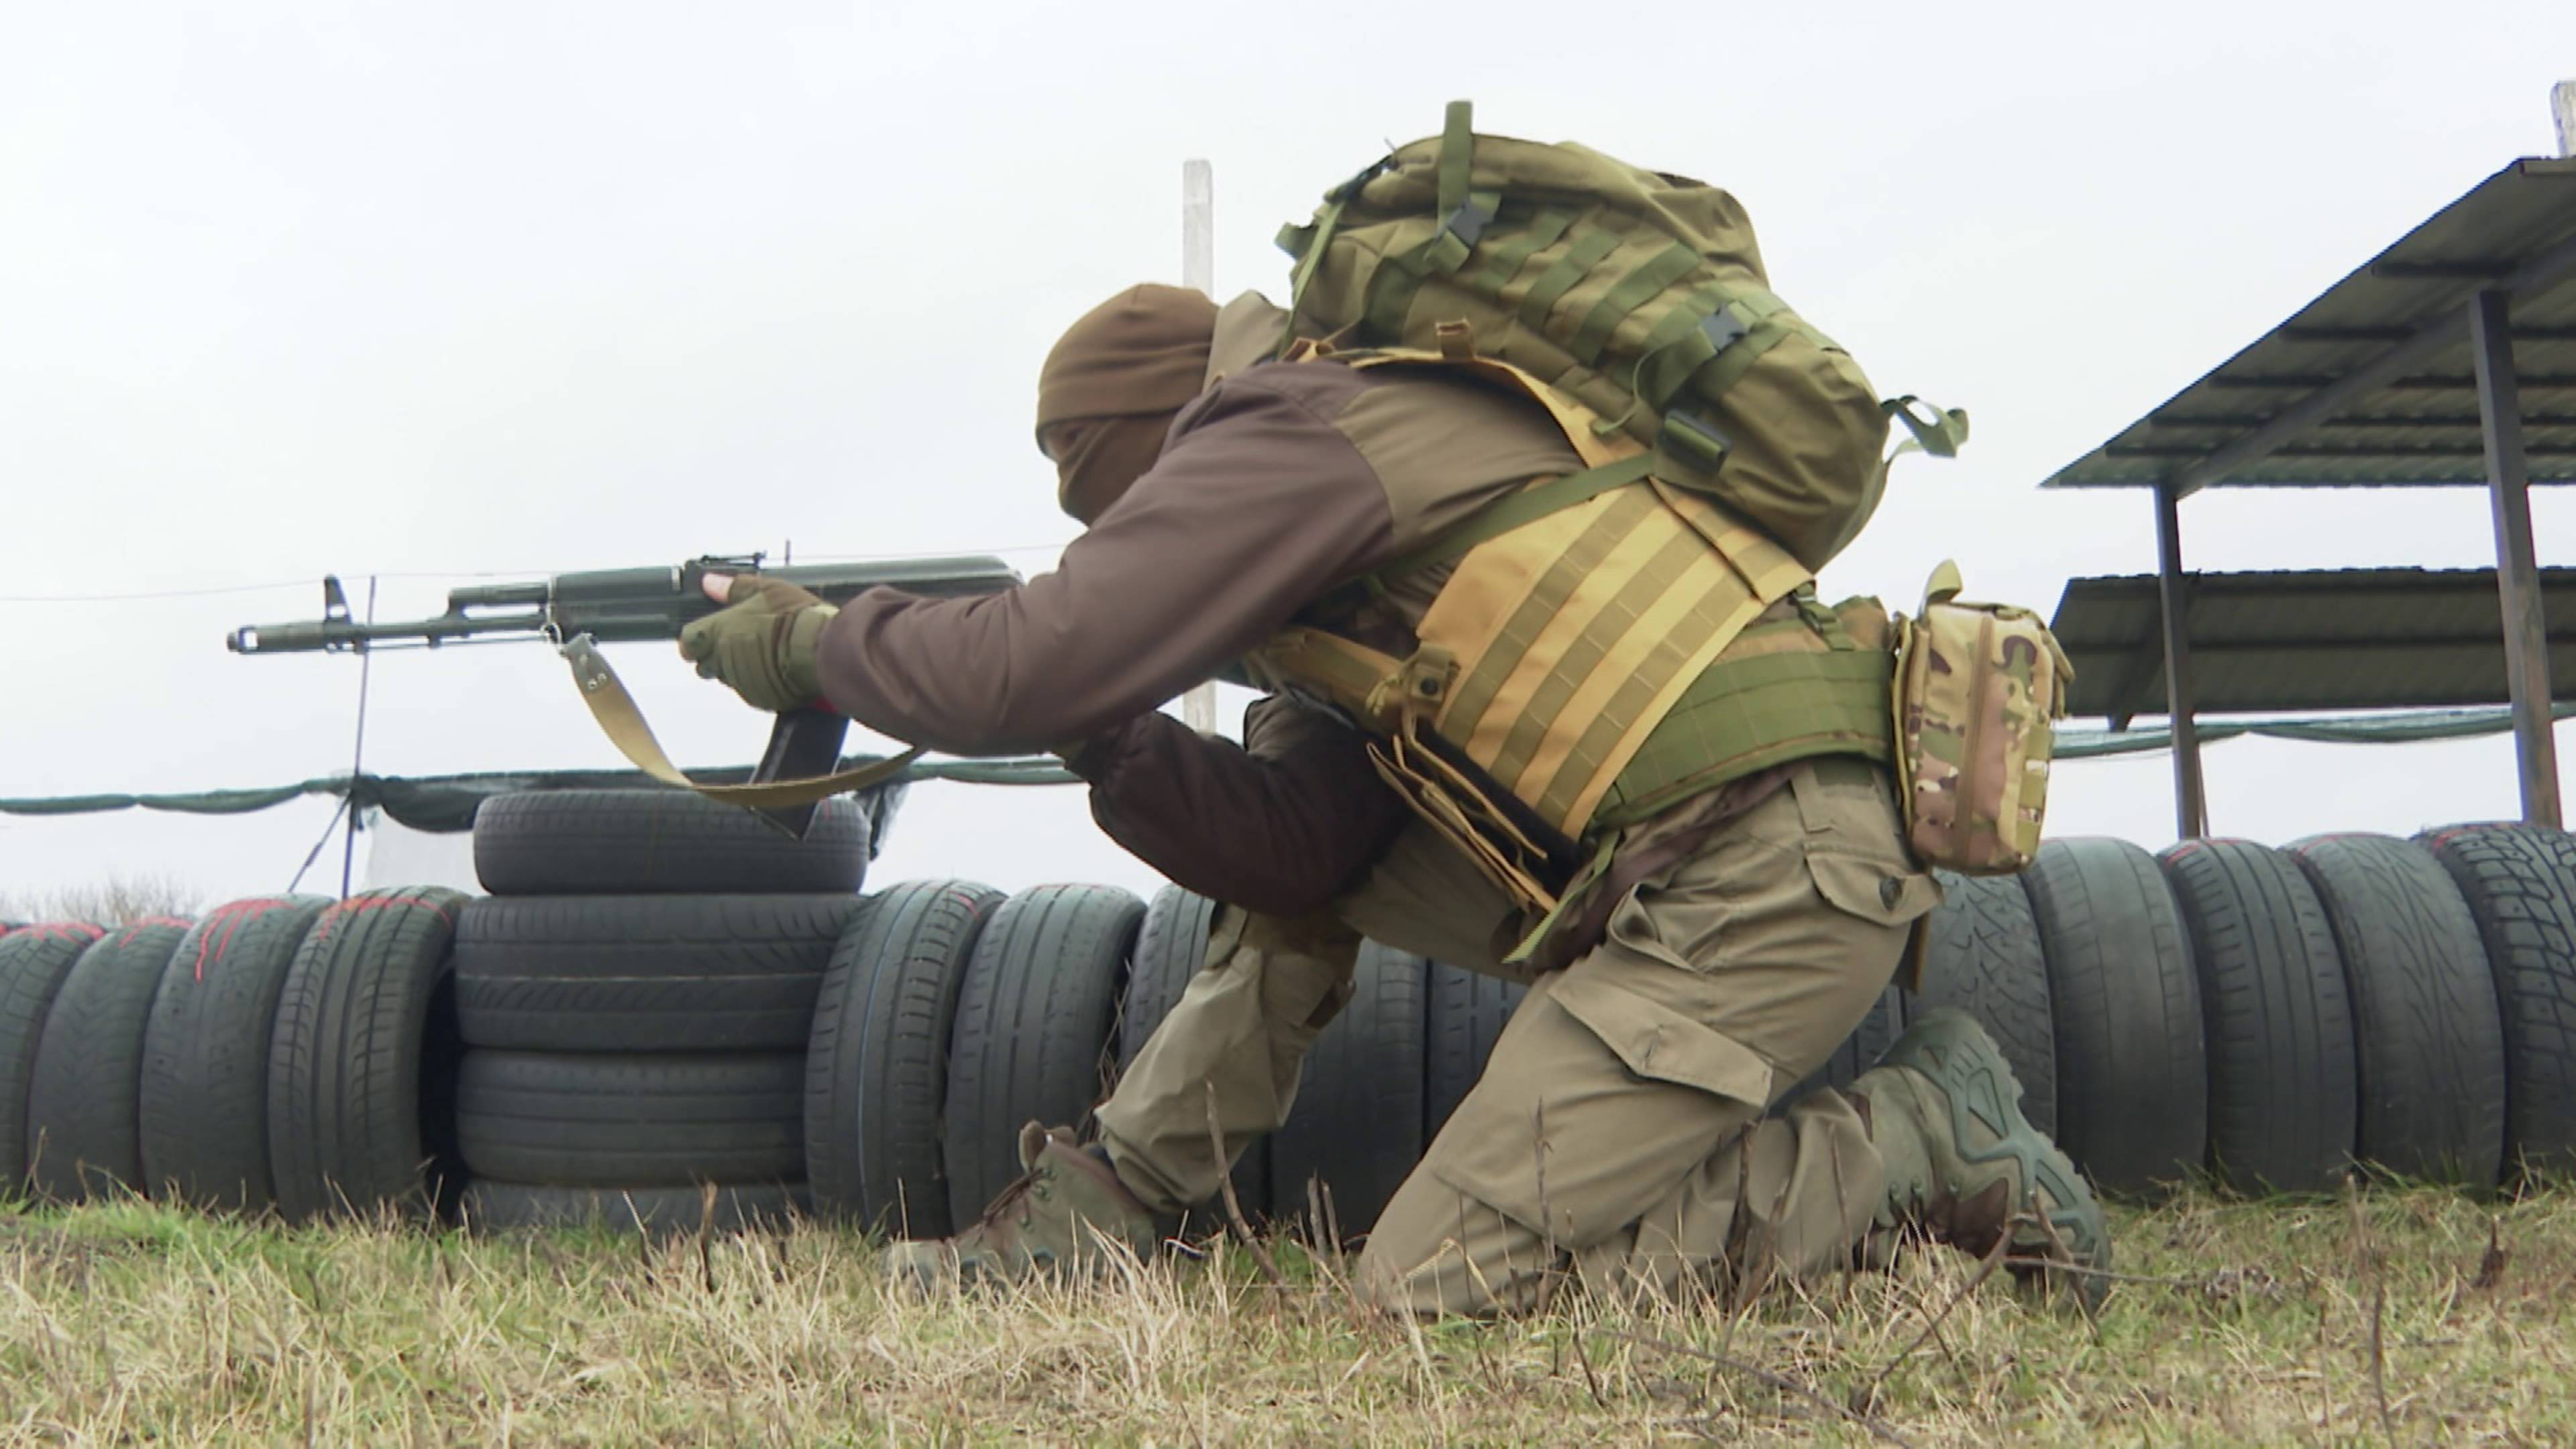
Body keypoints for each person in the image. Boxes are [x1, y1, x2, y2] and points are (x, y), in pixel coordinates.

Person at [678, 282, 2110, 1316]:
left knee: (1435, 1290)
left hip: (1774, 853)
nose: (1133, 557)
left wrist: (813, 642)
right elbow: (1307, 852)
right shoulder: (1334, 566)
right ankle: (1101, 1212)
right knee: (1295, 901)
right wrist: (1104, 730)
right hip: (1687, 857)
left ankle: (1920, 1140)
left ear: (1156, 444)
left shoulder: (1298, 430)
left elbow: (1024, 658)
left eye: (1117, 520)